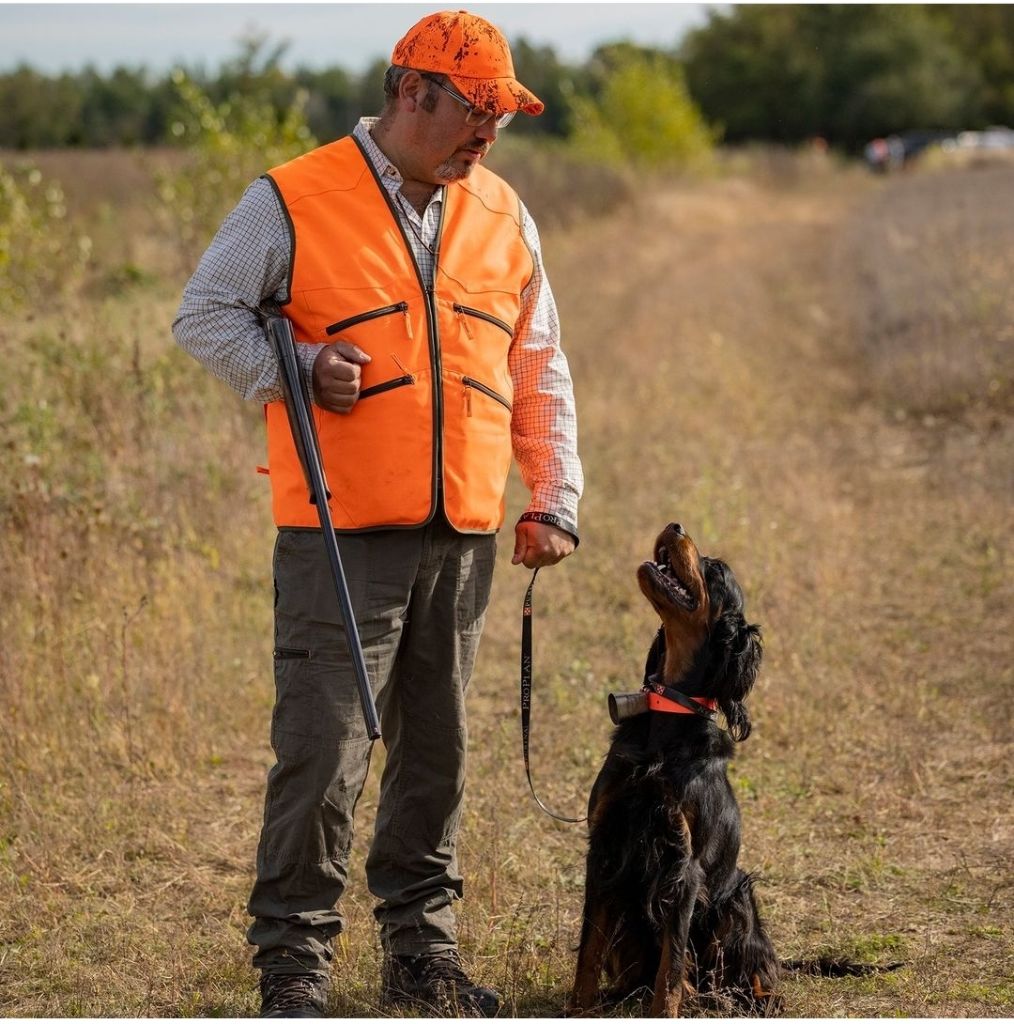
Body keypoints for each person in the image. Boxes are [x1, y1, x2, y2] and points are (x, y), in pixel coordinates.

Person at [172, 9, 582, 1019]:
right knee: (326, 752)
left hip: (464, 536)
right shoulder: (293, 199)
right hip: (339, 535)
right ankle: (294, 970)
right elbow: (205, 315)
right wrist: (302, 367)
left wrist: (554, 494)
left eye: (501, 119)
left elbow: (538, 365)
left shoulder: (503, 214)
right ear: (413, 93)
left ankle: (422, 957)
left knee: (436, 755)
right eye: (477, 113)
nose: (489, 136)